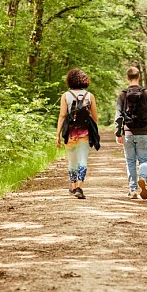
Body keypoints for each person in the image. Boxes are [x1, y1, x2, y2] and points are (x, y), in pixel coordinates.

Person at [114, 67, 147, 199]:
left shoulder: (123, 94)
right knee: (144, 159)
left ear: (127, 78)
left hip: (128, 133)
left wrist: (118, 133)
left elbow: (118, 116)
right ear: (139, 77)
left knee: (130, 161)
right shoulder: (145, 93)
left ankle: (133, 190)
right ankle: (143, 178)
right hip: (143, 132)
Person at [56, 68, 99, 199]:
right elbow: (95, 117)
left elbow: (62, 115)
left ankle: (73, 186)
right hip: (84, 133)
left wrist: (57, 134)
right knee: (82, 160)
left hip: (70, 133)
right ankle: (80, 186)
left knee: (72, 161)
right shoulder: (89, 96)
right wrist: (95, 133)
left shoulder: (65, 95)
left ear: (69, 81)